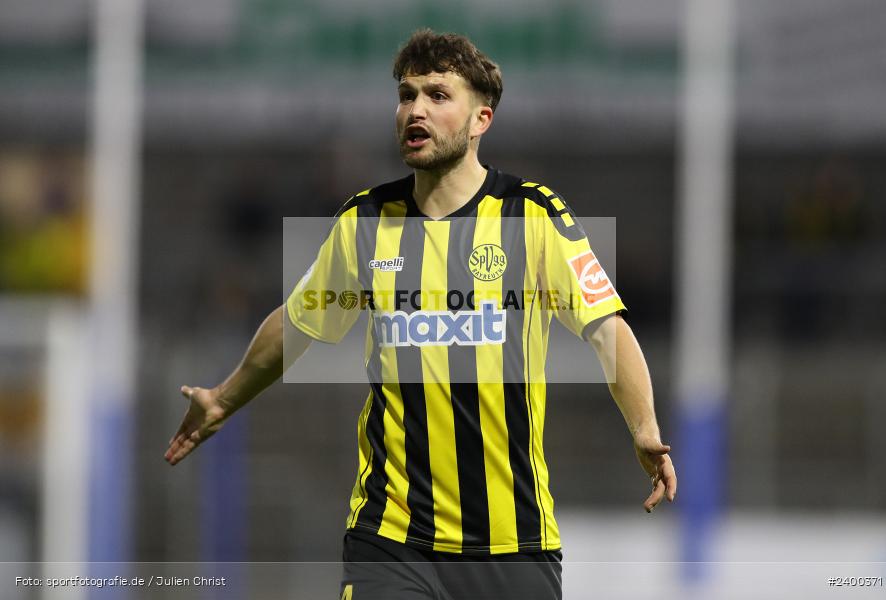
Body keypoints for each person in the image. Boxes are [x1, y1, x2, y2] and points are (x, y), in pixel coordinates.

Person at [165, 29, 676, 600]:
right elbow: (299, 321)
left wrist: (645, 426)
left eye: (437, 95)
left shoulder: (531, 215)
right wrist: (225, 397)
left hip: (513, 540)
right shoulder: (366, 220)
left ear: (481, 118)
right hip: (391, 535)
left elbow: (607, 327)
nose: (415, 109)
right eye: (407, 95)